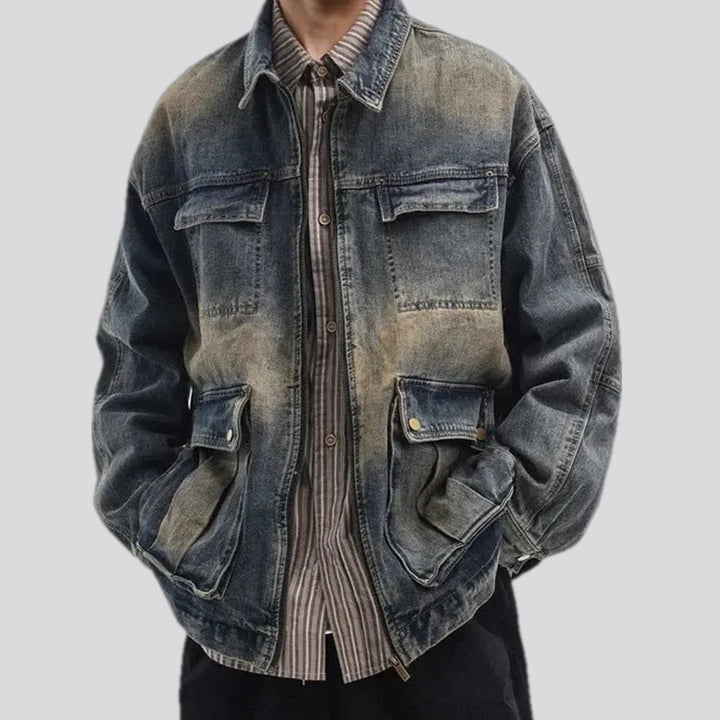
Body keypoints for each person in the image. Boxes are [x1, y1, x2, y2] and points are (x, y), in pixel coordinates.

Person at [91, 0, 622, 718]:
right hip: (239, 640)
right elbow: (133, 369)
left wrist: (494, 535)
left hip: (448, 628)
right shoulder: (188, 120)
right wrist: (177, 534)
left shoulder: (485, 101)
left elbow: (577, 344)